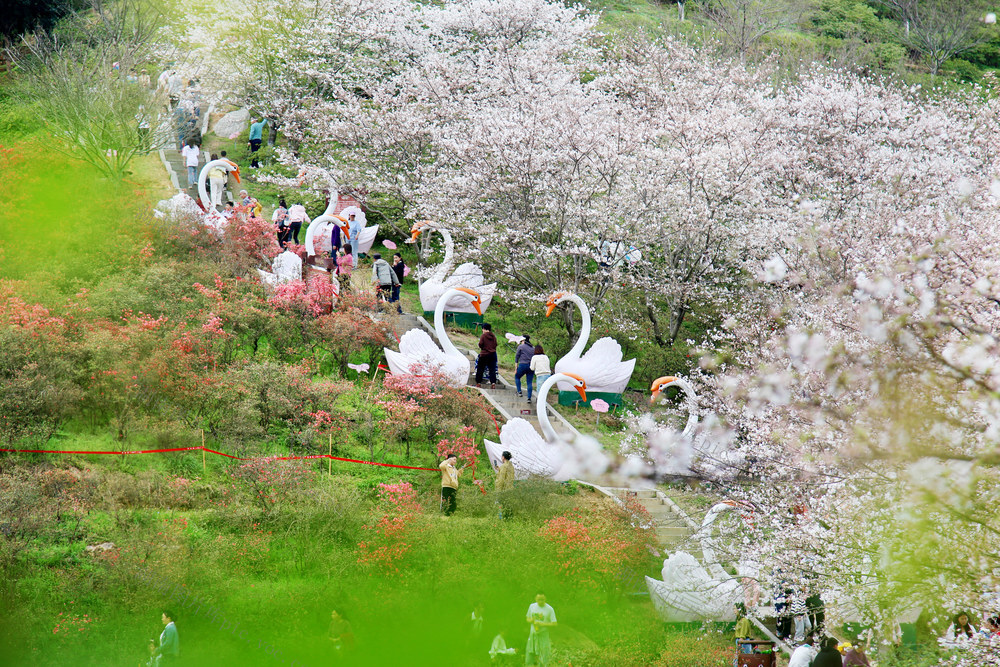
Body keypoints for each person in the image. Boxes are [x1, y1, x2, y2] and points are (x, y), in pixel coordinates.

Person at [525, 591, 557, 666]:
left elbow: (554, 623)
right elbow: (527, 618)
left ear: (545, 599)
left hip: (543, 635)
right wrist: (531, 620)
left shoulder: (549, 609)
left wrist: (543, 624)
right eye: (539, 599)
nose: (540, 601)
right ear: (535, 598)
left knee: (543, 657)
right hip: (532, 635)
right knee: (529, 656)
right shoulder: (532, 606)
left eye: (542, 599)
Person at [476, 323, 498, 389]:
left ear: (484, 329)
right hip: (493, 354)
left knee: (480, 369)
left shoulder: (483, 336)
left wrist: (484, 348)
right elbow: (495, 344)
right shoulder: (494, 336)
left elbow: (480, 344)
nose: (482, 330)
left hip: (484, 354)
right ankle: (493, 383)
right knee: (492, 370)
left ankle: (478, 383)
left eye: (482, 329)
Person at [513, 335, 534, 399]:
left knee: (517, 377)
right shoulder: (533, 348)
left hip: (522, 365)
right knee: (529, 382)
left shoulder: (521, 347)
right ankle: (529, 398)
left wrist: (516, 367)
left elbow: (517, 357)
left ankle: (519, 392)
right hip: (531, 366)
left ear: (523, 340)